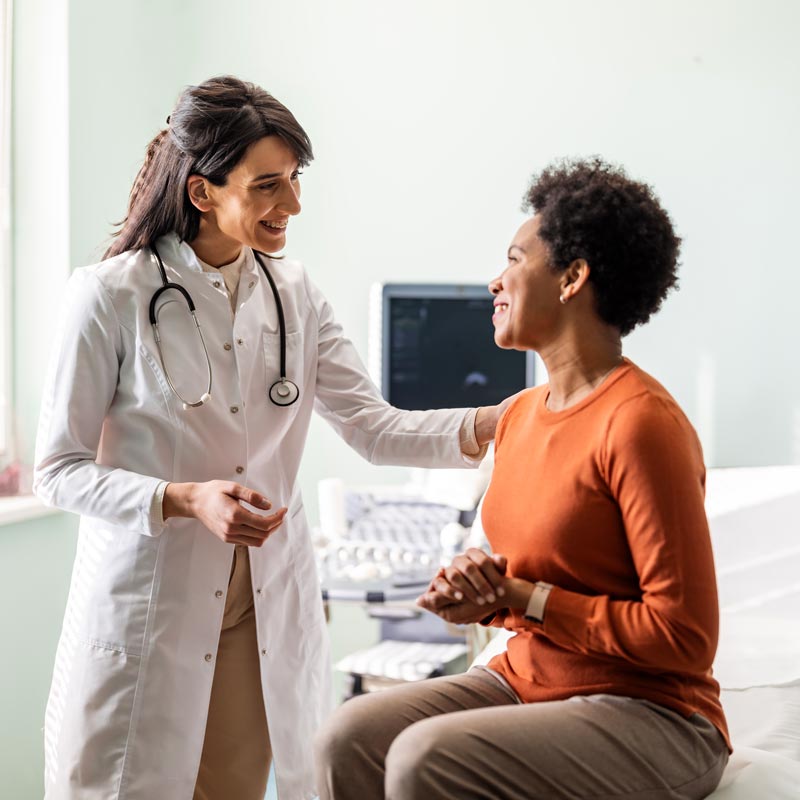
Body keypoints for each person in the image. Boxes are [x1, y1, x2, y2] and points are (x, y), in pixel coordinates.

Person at [33, 75, 509, 800]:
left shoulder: (295, 294)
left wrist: (506, 420)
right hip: (152, 607)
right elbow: (58, 471)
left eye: (293, 181)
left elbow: (376, 430)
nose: (291, 205)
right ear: (202, 193)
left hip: (258, 609)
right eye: (266, 186)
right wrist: (184, 498)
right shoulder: (110, 296)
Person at [314, 158, 731, 800]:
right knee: (346, 737)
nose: (494, 281)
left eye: (513, 259)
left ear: (573, 278)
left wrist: (524, 598)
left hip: (653, 711)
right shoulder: (519, 417)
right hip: (528, 679)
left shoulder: (642, 424)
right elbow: (531, 569)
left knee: (425, 758)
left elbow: (686, 639)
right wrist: (481, 587)